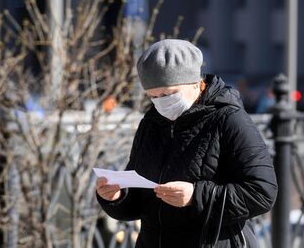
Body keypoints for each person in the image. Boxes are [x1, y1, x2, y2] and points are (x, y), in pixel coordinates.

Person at [96, 39, 277, 247]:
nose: (162, 101)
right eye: (153, 96)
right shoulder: (151, 123)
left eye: (169, 93)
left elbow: (262, 191)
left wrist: (195, 196)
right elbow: (140, 197)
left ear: (195, 84)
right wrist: (117, 196)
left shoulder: (229, 119)